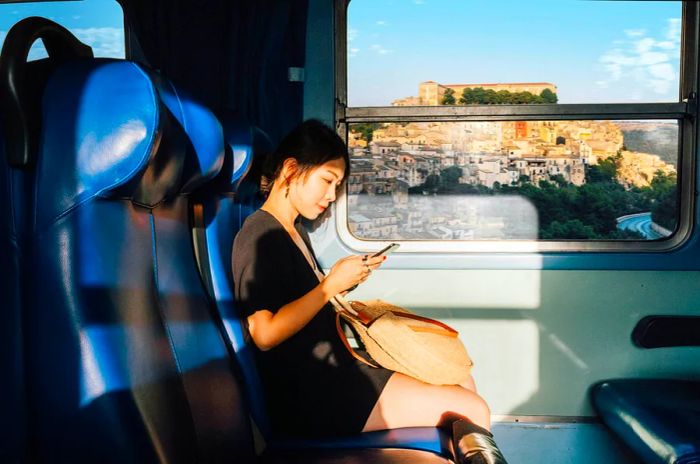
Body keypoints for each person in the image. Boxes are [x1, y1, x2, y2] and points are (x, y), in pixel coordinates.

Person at [232, 119, 508, 464]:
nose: (332, 196)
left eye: (337, 186)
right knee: (473, 407)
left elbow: (305, 300)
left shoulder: (293, 230)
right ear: (291, 169)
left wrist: (342, 282)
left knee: (460, 379)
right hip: (312, 394)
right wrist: (330, 284)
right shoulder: (260, 234)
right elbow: (264, 333)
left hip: (336, 373)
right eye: (327, 181)